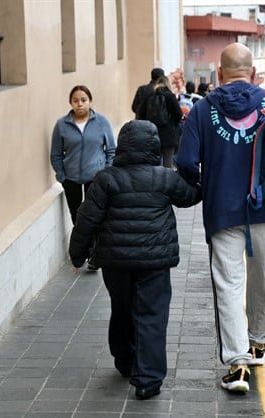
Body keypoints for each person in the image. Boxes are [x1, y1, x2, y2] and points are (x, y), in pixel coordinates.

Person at [175, 42, 265, 393]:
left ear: (219, 74)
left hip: (222, 211)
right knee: (260, 278)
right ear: (253, 73)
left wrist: (209, 185)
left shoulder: (203, 110)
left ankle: (237, 366)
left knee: (228, 285)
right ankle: (257, 342)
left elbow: (187, 163)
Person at [68, 119, 201, 400]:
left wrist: (77, 254)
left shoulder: (106, 179)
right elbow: (189, 196)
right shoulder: (164, 177)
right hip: (154, 260)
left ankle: (125, 361)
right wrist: (200, 180)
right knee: (151, 315)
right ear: (153, 147)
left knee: (122, 307)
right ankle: (147, 380)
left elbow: (87, 218)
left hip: (115, 262)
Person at [50, 85, 116, 226]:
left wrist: (105, 172)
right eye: (75, 101)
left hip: (95, 178)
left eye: (83, 100)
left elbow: (111, 150)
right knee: (76, 216)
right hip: (70, 179)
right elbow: (56, 153)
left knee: (94, 215)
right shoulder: (62, 124)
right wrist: (61, 175)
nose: (79, 104)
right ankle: (83, 247)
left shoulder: (102, 122)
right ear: (71, 103)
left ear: (90, 101)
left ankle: (95, 246)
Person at [143, 75, 183, 168]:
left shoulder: (150, 96)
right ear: (168, 84)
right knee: (168, 163)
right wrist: (174, 123)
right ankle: (166, 181)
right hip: (169, 135)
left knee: (154, 163)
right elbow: (179, 114)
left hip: (152, 134)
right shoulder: (170, 96)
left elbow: (141, 113)